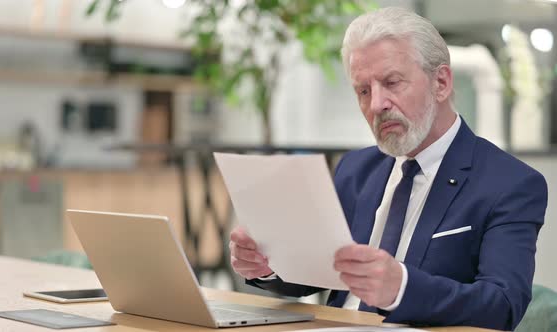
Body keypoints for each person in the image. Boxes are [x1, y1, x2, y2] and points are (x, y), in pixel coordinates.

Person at [227, 7, 548, 331]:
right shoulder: (355, 168)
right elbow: (317, 274)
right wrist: (266, 267)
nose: (377, 104)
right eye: (363, 91)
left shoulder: (511, 184)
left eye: (392, 82)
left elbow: (503, 305)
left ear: (441, 82)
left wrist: (402, 288)